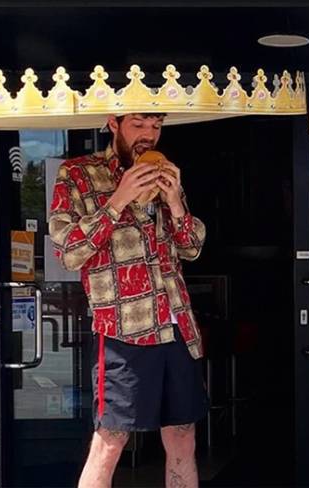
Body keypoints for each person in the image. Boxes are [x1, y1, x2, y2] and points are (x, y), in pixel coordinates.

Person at [49, 112, 208, 488]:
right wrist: (118, 200)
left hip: (177, 326)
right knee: (110, 441)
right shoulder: (78, 174)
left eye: (155, 126)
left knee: (183, 436)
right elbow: (69, 252)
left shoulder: (165, 173)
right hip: (123, 327)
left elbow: (192, 248)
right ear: (113, 125)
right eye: (138, 124)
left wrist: (175, 201)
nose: (149, 135)